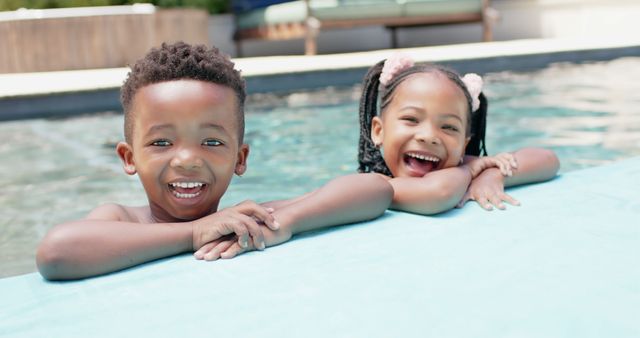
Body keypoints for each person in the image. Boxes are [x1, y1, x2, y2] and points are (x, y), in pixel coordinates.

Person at [36, 42, 393, 281]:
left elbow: (375, 188)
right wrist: (192, 234)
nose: (188, 159)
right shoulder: (121, 220)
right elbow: (56, 253)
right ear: (129, 158)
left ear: (240, 158)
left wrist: (288, 221)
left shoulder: (246, 221)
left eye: (211, 141)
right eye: (161, 142)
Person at [357, 53, 559, 215]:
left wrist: (494, 174)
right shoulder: (376, 187)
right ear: (378, 131)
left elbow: (548, 160)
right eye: (411, 120)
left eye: (449, 127)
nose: (428, 136)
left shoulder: (468, 164)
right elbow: (438, 192)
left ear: (463, 144)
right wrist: (470, 172)